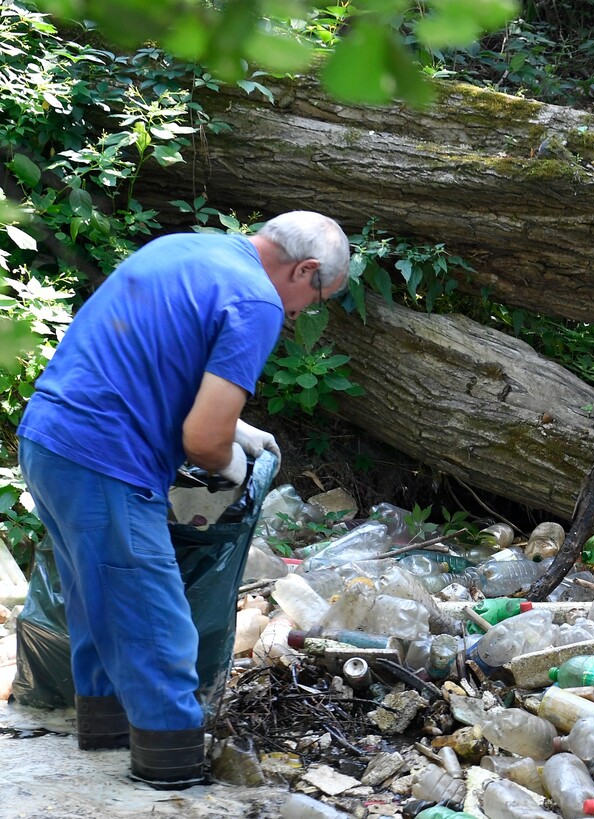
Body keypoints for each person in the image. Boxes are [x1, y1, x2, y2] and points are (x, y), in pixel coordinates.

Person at [16, 211, 350, 788]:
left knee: (98, 602)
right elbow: (202, 439)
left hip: (48, 439)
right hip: (106, 459)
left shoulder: (183, 249)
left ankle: (106, 731)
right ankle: (171, 775)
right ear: (306, 269)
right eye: (315, 298)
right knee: (156, 622)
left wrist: (233, 428)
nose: (302, 315)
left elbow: (154, 359)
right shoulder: (258, 302)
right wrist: (231, 459)